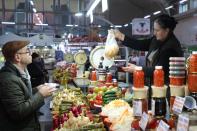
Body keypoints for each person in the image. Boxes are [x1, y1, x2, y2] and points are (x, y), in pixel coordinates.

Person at [114, 14, 183, 107]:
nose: (154, 33)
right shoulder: (157, 39)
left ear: (167, 30)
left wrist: (137, 69)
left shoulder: (171, 47)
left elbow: (158, 70)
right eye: (154, 29)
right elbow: (140, 44)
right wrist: (121, 36)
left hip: (166, 92)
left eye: (157, 30)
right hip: (154, 88)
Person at [0, 41, 54, 131]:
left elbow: (21, 95)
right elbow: (18, 111)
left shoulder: (21, 74)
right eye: (27, 51)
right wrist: (40, 95)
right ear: (18, 57)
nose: (31, 53)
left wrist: (36, 90)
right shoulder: (8, 80)